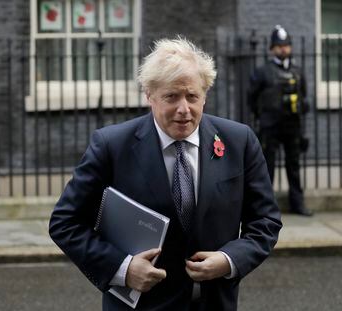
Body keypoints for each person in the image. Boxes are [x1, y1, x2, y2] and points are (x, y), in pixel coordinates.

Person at [49, 37, 282, 311]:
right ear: (149, 95)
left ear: (205, 96)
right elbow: (65, 223)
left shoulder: (239, 141)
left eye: (192, 96)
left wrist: (229, 260)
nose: (184, 109)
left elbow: (265, 221)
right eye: (171, 96)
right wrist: (123, 268)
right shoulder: (111, 146)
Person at [248, 25, 313, 217]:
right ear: (271, 49)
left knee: (294, 166)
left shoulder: (298, 71)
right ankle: (267, 208)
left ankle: (297, 204)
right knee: (267, 167)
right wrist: (262, 116)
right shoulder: (262, 72)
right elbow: (251, 98)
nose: (283, 49)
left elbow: (304, 95)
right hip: (270, 126)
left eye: (286, 45)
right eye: (279, 46)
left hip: (293, 126)